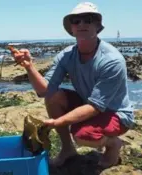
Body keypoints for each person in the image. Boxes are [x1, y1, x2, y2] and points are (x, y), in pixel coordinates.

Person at [10, 2, 135, 168]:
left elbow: (95, 107)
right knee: (53, 96)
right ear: (72, 28)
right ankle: (68, 149)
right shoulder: (66, 55)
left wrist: (58, 122)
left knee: (83, 135)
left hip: (115, 114)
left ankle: (113, 144)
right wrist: (29, 67)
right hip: (89, 104)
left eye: (88, 19)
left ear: (97, 26)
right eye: (76, 21)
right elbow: (44, 90)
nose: (82, 24)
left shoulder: (112, 60)